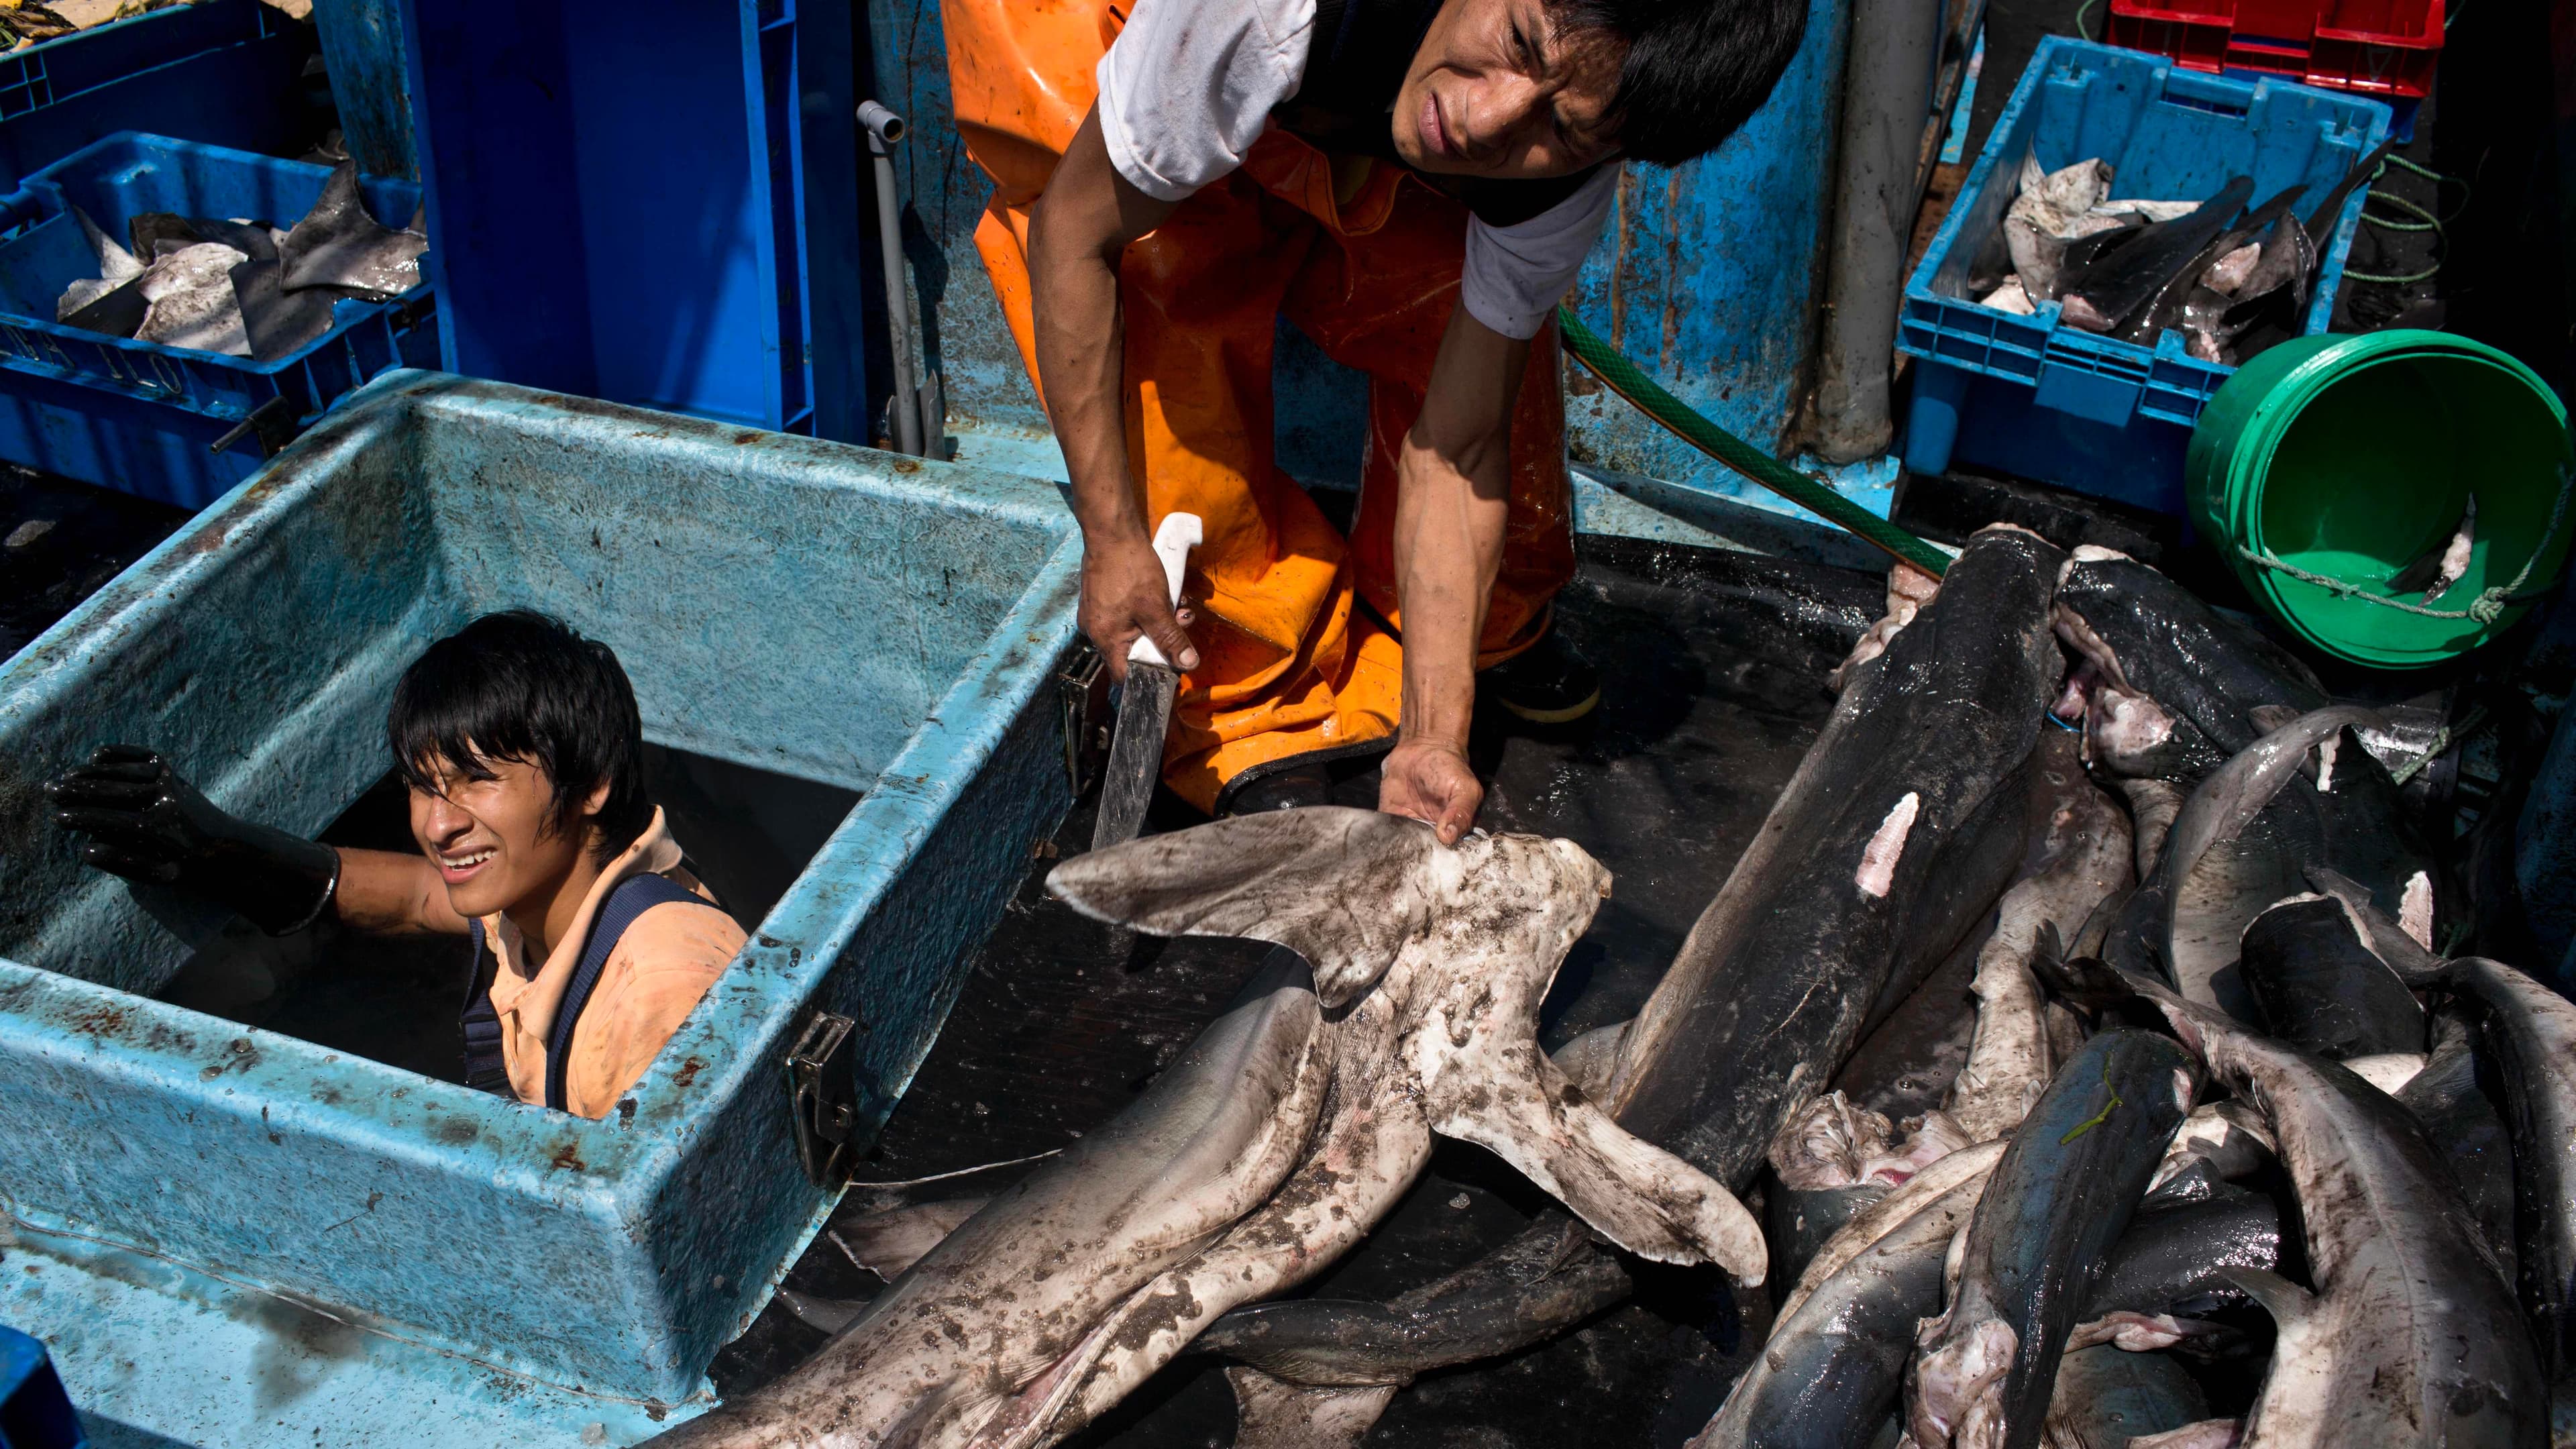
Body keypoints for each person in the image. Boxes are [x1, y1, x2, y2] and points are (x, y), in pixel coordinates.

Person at [948, 0, 1803, 839]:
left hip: (1336, 49)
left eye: (1566, 128)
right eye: (1515, 42)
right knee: (1162, 265)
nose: (1488, 118)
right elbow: (1073, 231)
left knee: (1454, 292)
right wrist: (1114, 536)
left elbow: (1460, 449)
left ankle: (1471, 638)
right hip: (1104, 21)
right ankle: (1250, 706)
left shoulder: (1564, 175)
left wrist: (1434, 735)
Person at [46, 611, 744, 1120]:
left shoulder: (662, 996)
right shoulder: (551, 888)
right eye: (421, 784)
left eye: (477, 779)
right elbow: (418, 897)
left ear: (591, 782)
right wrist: (226, 850)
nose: (438, 824)